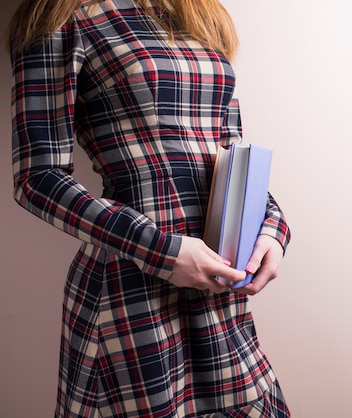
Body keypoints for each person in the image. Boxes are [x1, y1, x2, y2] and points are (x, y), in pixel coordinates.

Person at [7, 0, 292, 416]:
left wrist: (273, 230)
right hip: (132, 286)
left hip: (218, 282)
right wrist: (162, 251)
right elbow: (37, 178)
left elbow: (232, 155)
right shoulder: (62, 16)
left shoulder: (199, 12)